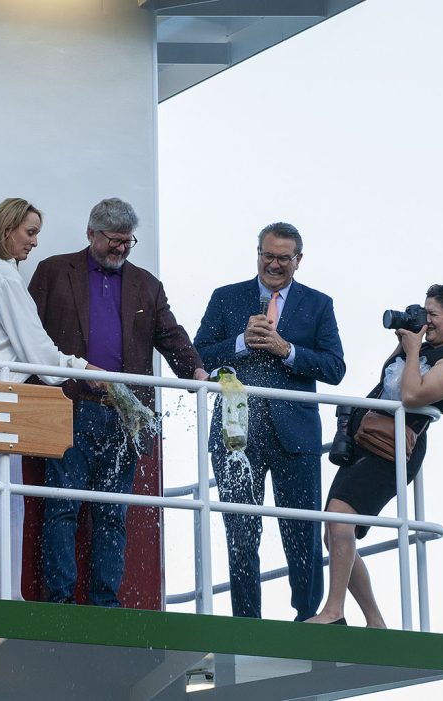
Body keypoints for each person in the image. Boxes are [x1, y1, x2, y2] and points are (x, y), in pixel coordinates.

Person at [29, 197, 208, 607]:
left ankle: (104, 603)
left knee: (113, 515)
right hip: (68, 407)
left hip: (126, 418)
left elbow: (170, 335)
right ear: (91, 233)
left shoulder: (147, 284)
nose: (121, 249)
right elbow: (27, 334)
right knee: (63, 507)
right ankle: (57, 600)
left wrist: (197, 373)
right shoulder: (54, 271)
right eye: (113, 241)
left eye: (128, 242)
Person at [0, 197, 98, 600]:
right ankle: (4, 594)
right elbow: (34, 345)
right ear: (7, 229)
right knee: (7, 497)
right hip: (0, 395)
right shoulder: (4, 277)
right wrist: (81, 369)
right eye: (29, 233)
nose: (33, 243)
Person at [308, 284, 443, 627]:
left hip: (391, 453)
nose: (428, 321)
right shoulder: (419, 347)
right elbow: (387, 381)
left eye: (433, 315)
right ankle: (374, 620)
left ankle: (333, 611)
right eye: (425, 313)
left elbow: (410, 395)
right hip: (364, 440)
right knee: (334, 531)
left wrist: (414, 347)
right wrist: (408, 342)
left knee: (339, 518)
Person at [193, 222, 345, 621]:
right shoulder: (226, 297)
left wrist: (288, 349)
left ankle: (307, 618)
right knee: (241, 534)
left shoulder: (319, 304)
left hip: (296, 435)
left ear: (299, 260)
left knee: (303, 533)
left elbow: (334, 367)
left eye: (283, 258)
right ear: (257, 252)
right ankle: (247, 622)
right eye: (268, 256)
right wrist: (241, 342)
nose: (274, 264)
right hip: (235, 434)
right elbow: (198, 357)